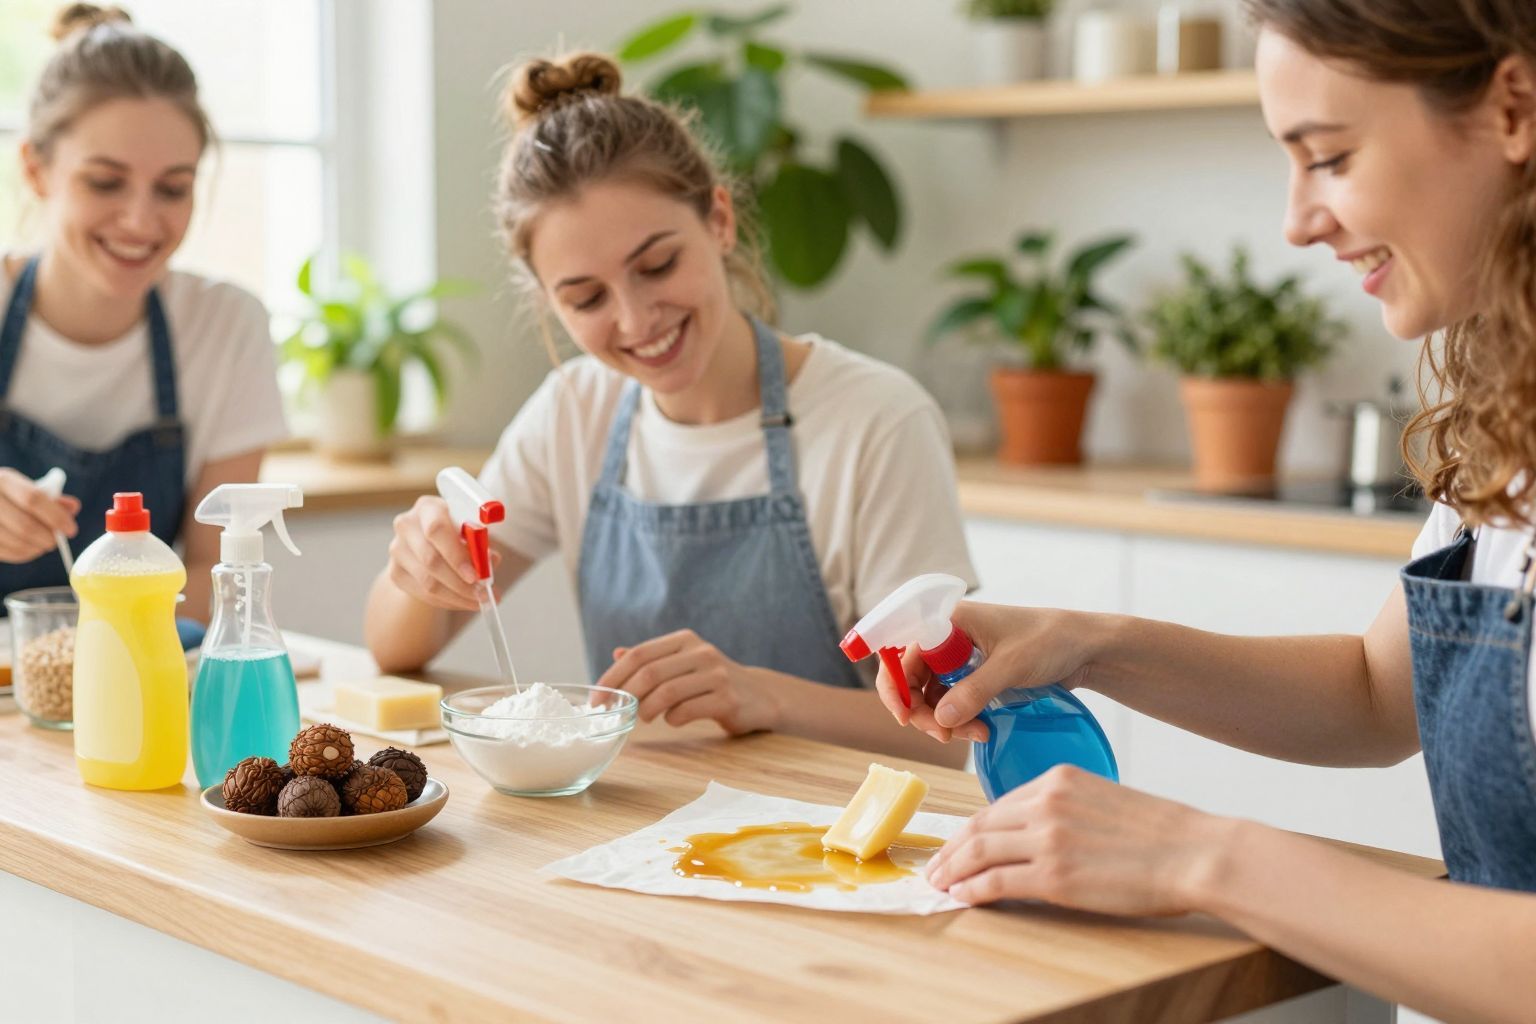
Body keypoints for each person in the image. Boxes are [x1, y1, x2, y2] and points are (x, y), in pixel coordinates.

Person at [873, 1, 1536, 1018]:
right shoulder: (1506, 419)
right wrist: (1086, 644)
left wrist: (1202, 857)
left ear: (1515, 107)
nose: (1297, 219)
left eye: (1330, 156)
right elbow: (1374, 694)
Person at [364, 52, 976, 766]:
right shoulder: (573, 413)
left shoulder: (875, 420)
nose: (635, 319)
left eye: (656, 266)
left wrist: (760, 696)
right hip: (643, 830)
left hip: (837, 842)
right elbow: (395, 646)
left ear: (718, 220)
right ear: (549, 301)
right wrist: (418, 572)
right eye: (586, 298)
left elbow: (944, 734)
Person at [0, 3, 287, 622]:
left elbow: (217, 564)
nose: (140, 221)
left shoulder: (227, 328)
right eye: (105, 182)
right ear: (35, 169)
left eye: (173, 188)